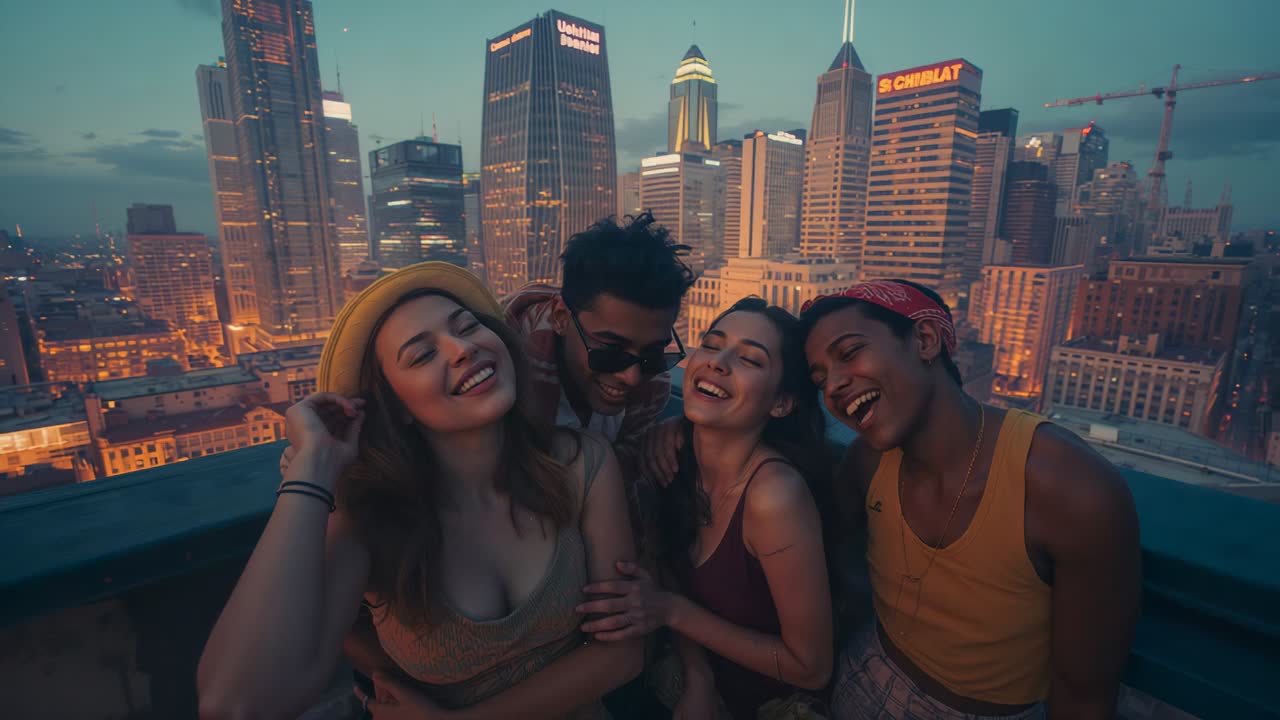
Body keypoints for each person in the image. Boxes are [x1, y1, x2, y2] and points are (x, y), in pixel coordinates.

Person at [198, 262, 642, 720]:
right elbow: (236, 704)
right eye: (422, 355)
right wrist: (312, 468)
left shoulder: (580, 464)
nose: (462, 350)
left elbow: (623, 653)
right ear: (397, 407)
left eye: (467, 327)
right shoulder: (371, 515)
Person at [799, 279, 1141, 720]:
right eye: (820, 378)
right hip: (862, 675)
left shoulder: (1069, 487)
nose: (834, 387)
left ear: (925, 340)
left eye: (849, 354)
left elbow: (1084, 695)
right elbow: (820, 554)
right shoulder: (866, 463)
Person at [575, 298, 835, 720]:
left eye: (750, 359)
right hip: (692, 679)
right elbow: (675, 581)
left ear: (782, 403)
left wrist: (667, 609)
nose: (717, 362)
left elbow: (811, 668)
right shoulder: (676, 458)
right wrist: (698, 678)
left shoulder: (774, 496)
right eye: (712, 345)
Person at [502, 211, 696, 555]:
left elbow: (621, 487)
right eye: (610, 352)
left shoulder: (654, 384)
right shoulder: (506, 374)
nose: (632, 376)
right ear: (561, 317)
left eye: (652, 354)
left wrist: (682, 430)